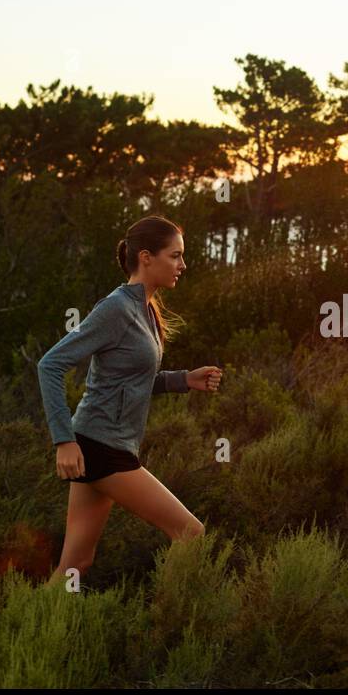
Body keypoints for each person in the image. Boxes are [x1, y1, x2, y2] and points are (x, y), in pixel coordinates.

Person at [36, 215, 223, 589]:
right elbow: (50, 365)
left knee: (76, 563)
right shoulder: (116, 308)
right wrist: (64, 440)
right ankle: (167, 624)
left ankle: (21, 628)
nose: (183, 265)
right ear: (146, 257)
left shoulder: (148, 310)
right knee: (190, 532)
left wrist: (182, 380)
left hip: (101, 443)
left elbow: (130, 380)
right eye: (175, 256)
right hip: (101, 447)